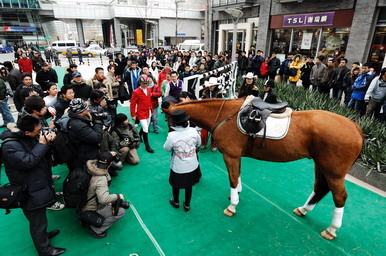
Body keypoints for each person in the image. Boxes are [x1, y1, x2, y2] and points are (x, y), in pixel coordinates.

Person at [0, 115, 66, 256]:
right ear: (27, 133)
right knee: (37, 221)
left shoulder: (28, 137)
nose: (40, 132)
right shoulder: (9, 146)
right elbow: (28, 162)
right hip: (28, 190)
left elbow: (41, 155)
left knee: (40, 218)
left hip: (38, 184)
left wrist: (48, 142)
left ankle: (42, 237)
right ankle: (44, 250)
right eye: (37, 131)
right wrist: (42, 144)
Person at [82, 152, 126, 239]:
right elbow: (103, 199)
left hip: (82, 202)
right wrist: (117, 196)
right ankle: (95, 229)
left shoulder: (89, 167)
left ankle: (86, 220)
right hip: (90, 208)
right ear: (110, 164)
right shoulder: (101, 178)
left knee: (109, 202)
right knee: (121, 211)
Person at [164, 110, 201, 212]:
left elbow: (166, 148)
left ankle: (176, 202)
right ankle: (187, 205)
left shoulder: (172, 135)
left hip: (178, 167)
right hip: (193, 164)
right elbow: (199, 143)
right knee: (189, 186)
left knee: (175, 185)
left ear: (175, 123)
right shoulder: (194, 131)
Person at [67, 98, 103, 168]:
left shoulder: (78, 119)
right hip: (87, 155)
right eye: (86, 107)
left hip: (86, 151)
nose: (88, 108)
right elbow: (96, 138)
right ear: (81, 111)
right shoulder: (78, 125)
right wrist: (98, 122)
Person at [130, 74, 154, 153]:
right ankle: (147, 146)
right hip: (141, 113)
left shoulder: (149, 89)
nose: (145, 84)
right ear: (140, 82)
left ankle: (139, 136)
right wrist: (133, 115)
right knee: (146, 128)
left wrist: (152, 110)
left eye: (146, 83)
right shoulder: (136, 92)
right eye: (143, 83)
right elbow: (132, 104)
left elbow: (150, 101)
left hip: (148, 111)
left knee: (146, 126)